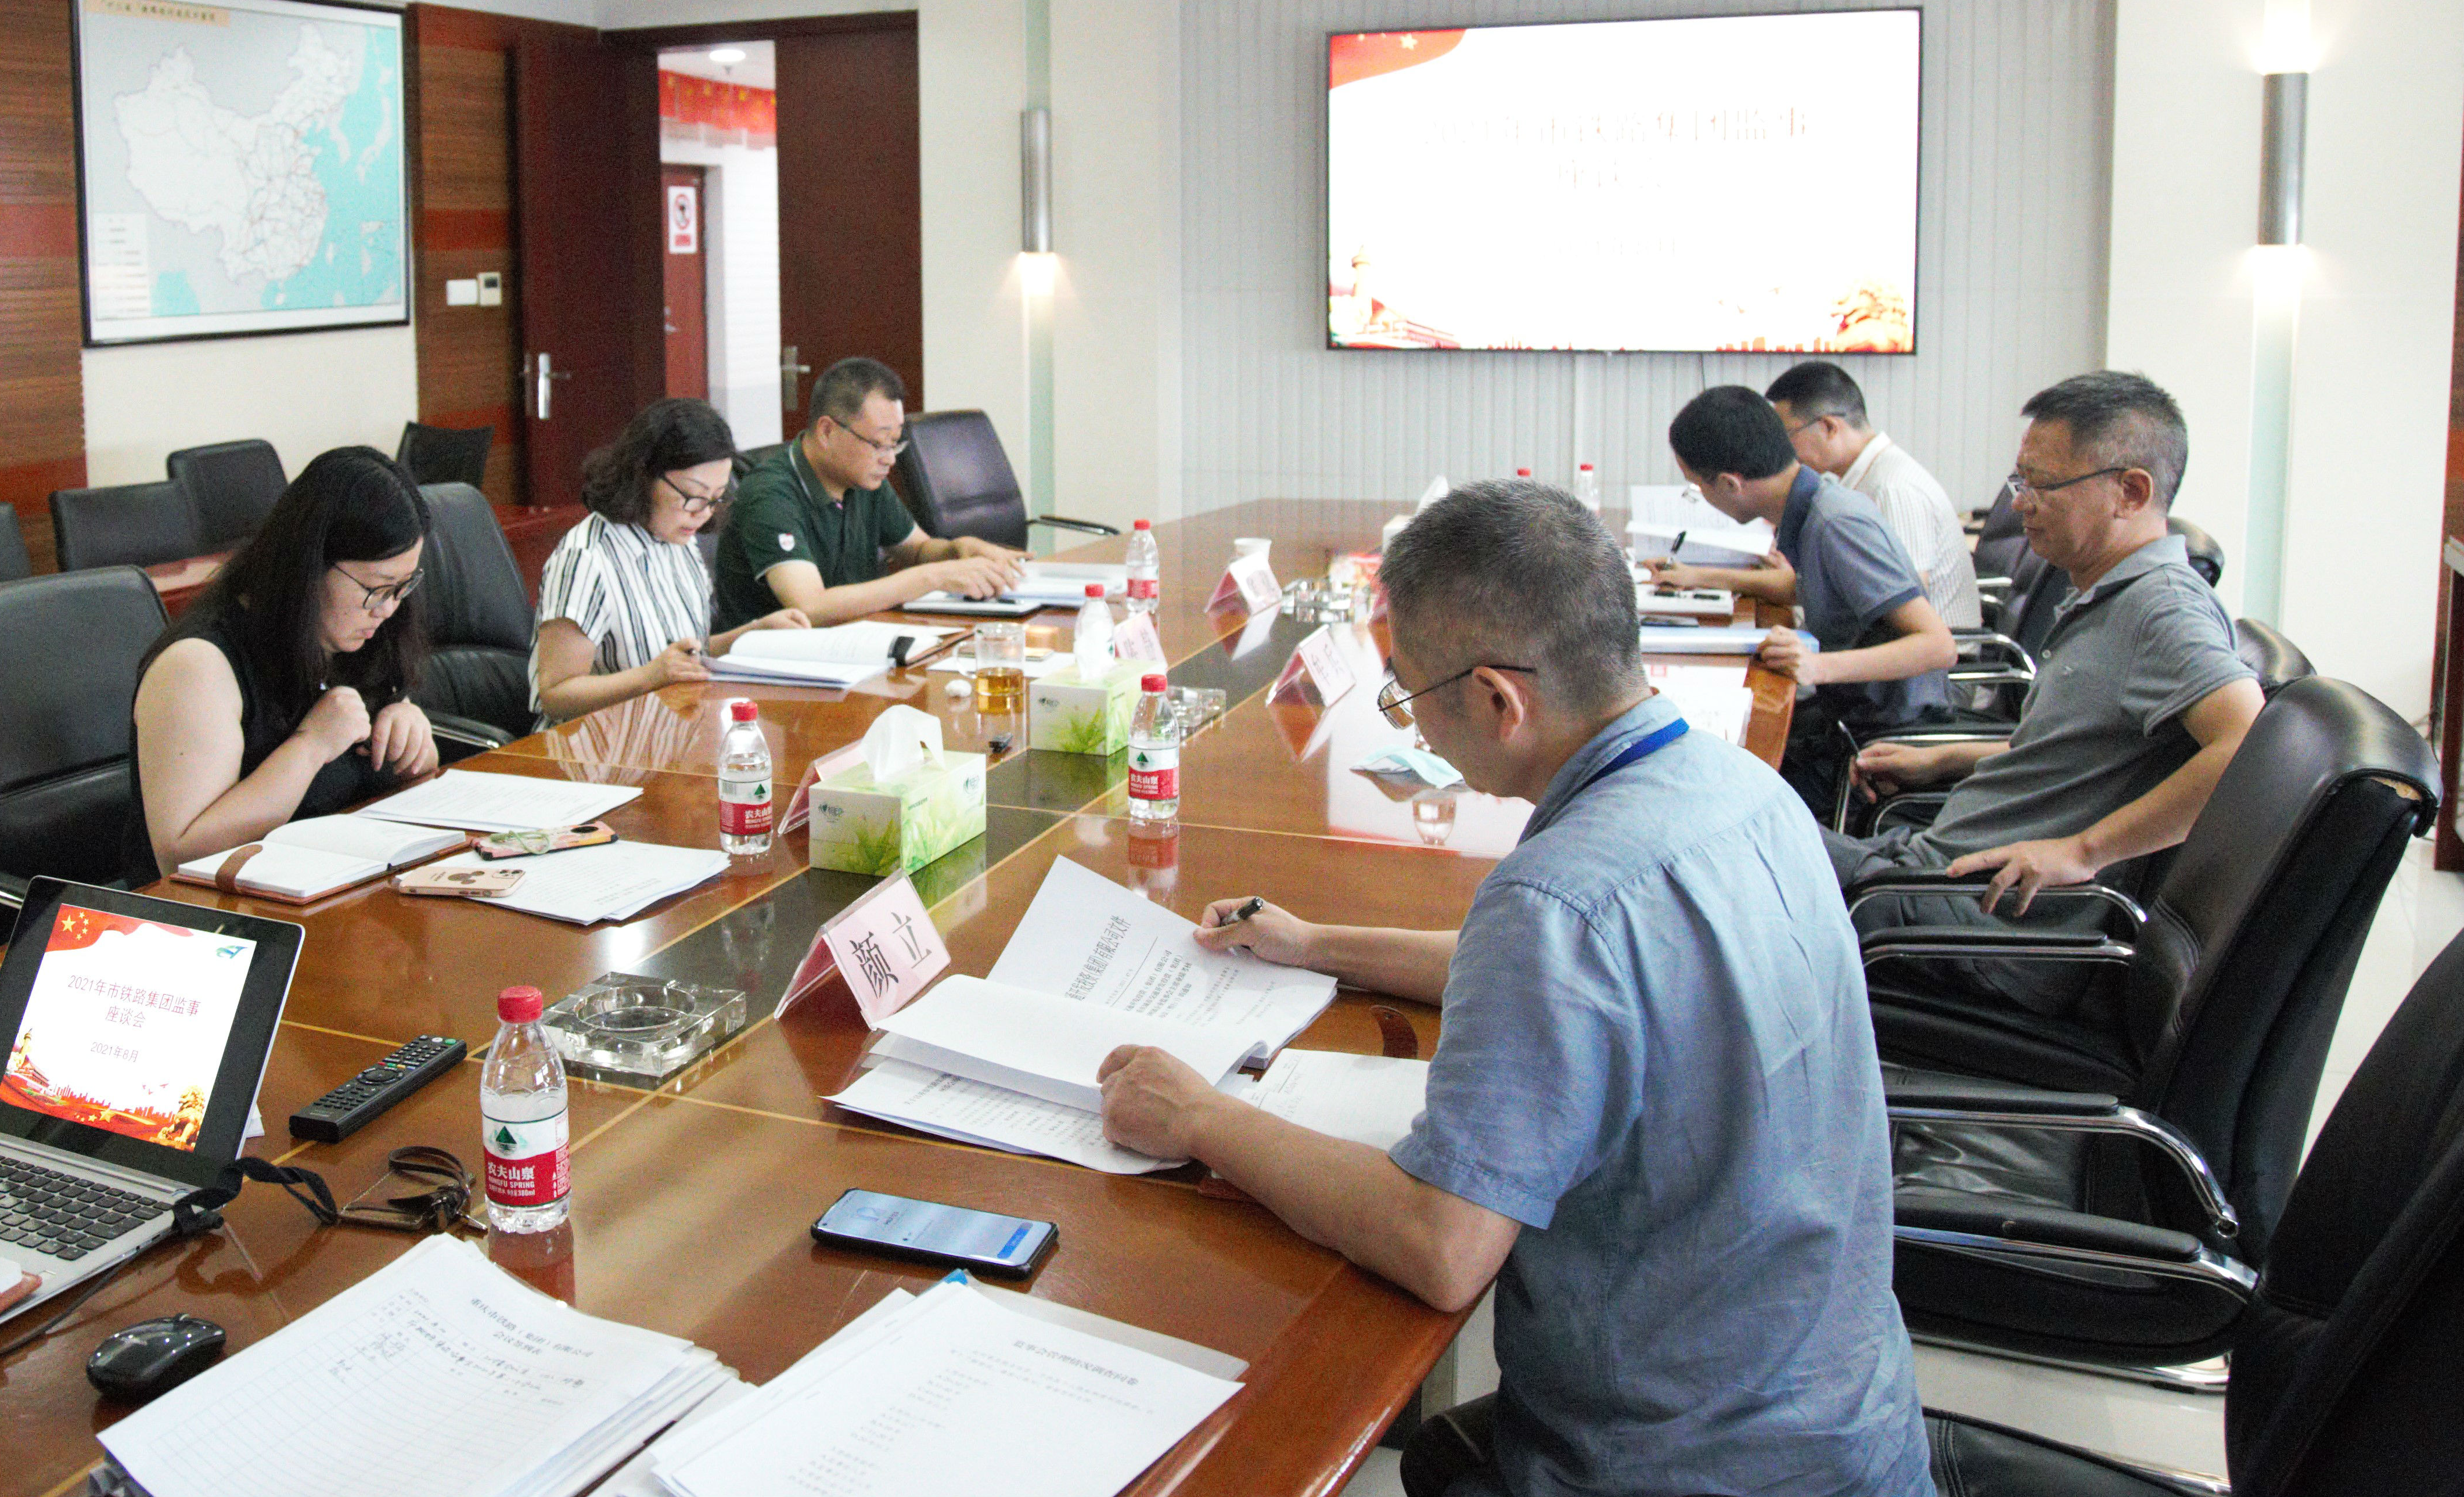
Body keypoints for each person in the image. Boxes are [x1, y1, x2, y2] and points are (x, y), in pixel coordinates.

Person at [1096, 481, 1931, 1497]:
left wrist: (1198, 1116)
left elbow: (1439, 1245)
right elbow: (1590, 986)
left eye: (1405, 693)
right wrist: (1315, 942)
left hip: (1674, 1465)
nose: (1411, 723)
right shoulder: (1742, 788)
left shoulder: (1553, 903)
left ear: (1498, 699)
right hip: (1842, 1422)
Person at [1825, 373, 2264, 1007]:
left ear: (2130, 491)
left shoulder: (2163, 608)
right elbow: (2079, 751)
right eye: (2020, 481)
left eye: (2042, 484)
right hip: (1932, 877)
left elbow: (2247, 744)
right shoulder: (2108, 594)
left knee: (1734, 842)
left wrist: (2083, 851)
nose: (2023, 503)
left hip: (1979, 923)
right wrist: (1945, 758)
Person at [127, 447, 438, 881]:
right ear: (309, 566)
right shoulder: (197, 666)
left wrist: (412, 737)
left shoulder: (362, 633)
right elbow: (182, 855)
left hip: (337, 887)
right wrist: (310, 747)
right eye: (376, 589)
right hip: (220, 913)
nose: (387, 609)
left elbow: (400, 779)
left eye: (402, 588)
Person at [1662, 384, 1955, 806]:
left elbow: (1938, 646)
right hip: (1846, 713)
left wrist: (1816, 666)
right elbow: (1814, 586)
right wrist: (1701, 577)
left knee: (1723, 787)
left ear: (1729, 484)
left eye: (1697, 487)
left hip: (1883, 738)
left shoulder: (1836, 523)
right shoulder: (1811, 502)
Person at [531, 398, 812, 725]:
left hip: (671, 731)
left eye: (715, 499)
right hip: (597, 745)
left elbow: (686, 654)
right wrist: (651, 676)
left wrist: (753, 633)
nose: (703, 513)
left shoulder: (679, 540)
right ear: (645, 476)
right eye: (693, 497)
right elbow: (556, 695)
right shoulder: (586, 559)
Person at [712, 356, 1024, 628]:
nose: (889, 459)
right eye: (878, 444)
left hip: (855, 645)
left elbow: (917, 550)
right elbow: (810, 607)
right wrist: (935, 577)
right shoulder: (770, 494)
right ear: (827, 431)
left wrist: (958, 550)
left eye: (895, 444)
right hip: (772, 666)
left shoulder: (864, 479)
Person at [1765, 358, 1983, 629]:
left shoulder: (1893, 489)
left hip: (1931, 652)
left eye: (1789, 435)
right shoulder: (1861, 479)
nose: (1786, 450)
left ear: (1829, 427)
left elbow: (1902, 615)